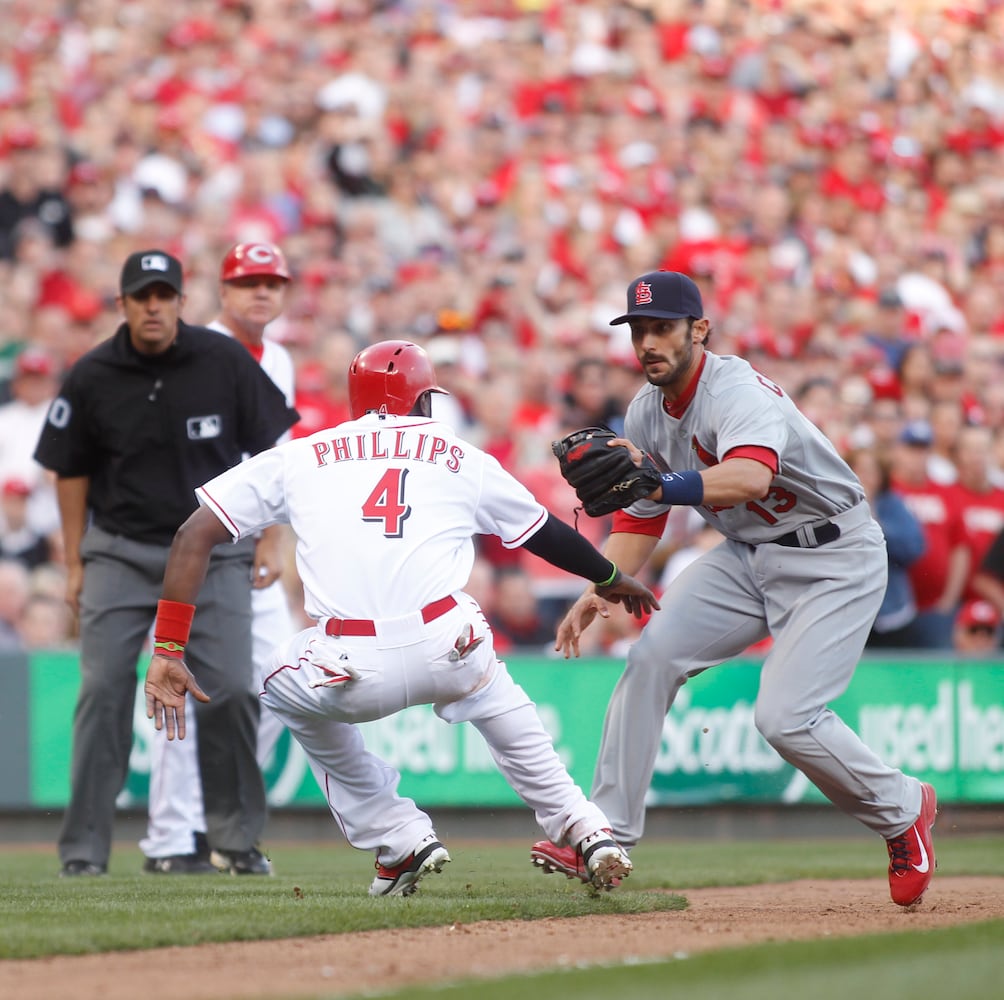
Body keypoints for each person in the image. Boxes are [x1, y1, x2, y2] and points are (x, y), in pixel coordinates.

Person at [143, 340, 657, 896]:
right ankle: (584, 826)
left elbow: (193, 533)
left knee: (275, 683)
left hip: (347, 663)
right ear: (422, 399)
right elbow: (544, 533)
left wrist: (169, 648)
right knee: (491, 687)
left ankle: (398, 835)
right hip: (447, 641)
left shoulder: (301, 454)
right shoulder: (458, 454)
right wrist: (609, 576)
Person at [529, 270, 938, 908]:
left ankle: (904, 807)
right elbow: (640, 516)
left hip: (835, 553)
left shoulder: (734, 387)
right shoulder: (644, 410)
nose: (647, 343)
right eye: (638, 330)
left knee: (785, 718)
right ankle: (605, 832)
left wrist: (661, 486)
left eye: (661, 328)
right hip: (748, 555)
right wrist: (601, 583)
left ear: (699, 330)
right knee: (650, 658)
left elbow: (747, 477)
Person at [34, 248, 298, 877]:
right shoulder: (91, 373)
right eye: (141, 296)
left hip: (211, 548)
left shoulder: (224, 359)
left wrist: (270, 538)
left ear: (182, 301)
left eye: (164, 295)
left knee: (233, 686)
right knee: (101, 689)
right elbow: (68, 471)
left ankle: (233, 839)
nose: (153, 306)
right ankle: (83, 852)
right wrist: (75, 561)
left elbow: (276, 454)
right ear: (122, 304)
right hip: (121, 551)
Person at [141, 242, 297, 875]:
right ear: (223, 291)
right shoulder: (194, 350)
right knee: (186, 681)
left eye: (272, 282)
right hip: (195, 538)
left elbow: (281, 460)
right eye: (248, 281)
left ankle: (214, 819)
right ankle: (171, 838)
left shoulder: (279, 357)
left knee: (281, 680)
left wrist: (276, 535)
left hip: (251, 536)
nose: (261, 292)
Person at [846, 447, 927, 649]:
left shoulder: (893, 504)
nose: (864, 477)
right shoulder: (834, 504)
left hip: (891, 612)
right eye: (858, 469)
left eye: (871, 471)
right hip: (848, 610)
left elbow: (914, 548)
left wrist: (876, 522)